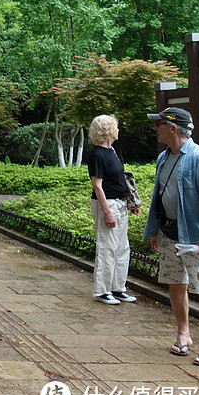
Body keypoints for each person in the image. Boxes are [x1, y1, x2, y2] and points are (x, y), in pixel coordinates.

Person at [143, 107, 199, 365]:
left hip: (194, 237)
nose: (154, 128)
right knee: (175, 283)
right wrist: (155, 230)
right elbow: (159, 197)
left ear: (173, 128)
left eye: (159, 124)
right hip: (169, 231)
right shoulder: (164, 157)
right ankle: (184, 334)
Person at [86, 114, 135, 305]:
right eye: (115, 127)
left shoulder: (112, 151)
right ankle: (102, 290)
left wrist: (130, 202)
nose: (118, 130)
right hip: (108, 203)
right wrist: (107, 212)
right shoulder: (97, 154)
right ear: (107, 130)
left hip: (120, 202)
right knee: (107, 247)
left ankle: (118, 287)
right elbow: (97, 185)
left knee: (122, 247)